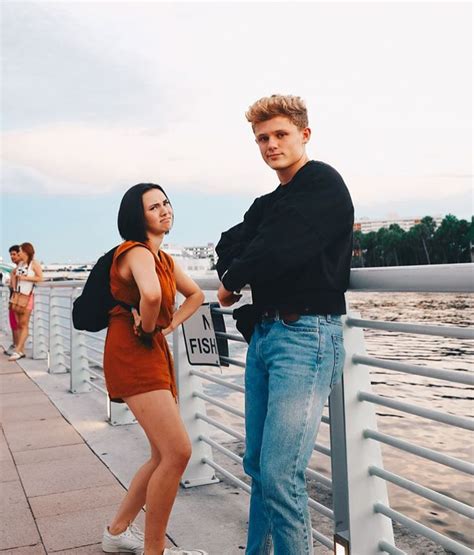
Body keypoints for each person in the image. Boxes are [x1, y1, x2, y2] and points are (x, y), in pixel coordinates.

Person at [216, 95, 354, 554]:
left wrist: (235, 278)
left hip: (307, 336)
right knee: (257, 465)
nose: (270, 144)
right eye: (262, 138)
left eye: (279, 135)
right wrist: (235, 269)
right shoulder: (269, 202)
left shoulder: (322, 184)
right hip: (267, 335)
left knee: (280, 473)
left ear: (304, 135)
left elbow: (279, 248)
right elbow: (230, 242)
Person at [101, 183, 207, 555]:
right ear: (137, 216)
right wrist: (149, 328)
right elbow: (151, 296)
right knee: (177, 452)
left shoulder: (164, 259)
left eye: (166, 203)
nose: (165, 210)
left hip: (151, 349)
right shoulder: (137, 252)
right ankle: (155, 551)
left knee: (163, 454)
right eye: (153, 207)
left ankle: (116, 532)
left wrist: (168, 325)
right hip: (133, 351)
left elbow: (197, 295)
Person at [8, 242, 43, 361]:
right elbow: (13, 273)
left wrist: (25, 278)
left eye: (21, 251)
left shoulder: (34, 264)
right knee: (19, 324)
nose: (19, 253)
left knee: (24, 324)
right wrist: (13, 284)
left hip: (27, 297)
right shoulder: (21, 264)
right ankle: (21, 351)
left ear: (26, 252)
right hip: (18, 296)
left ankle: (18, 350)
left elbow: (40, 278)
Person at [4, 245, 21, 356]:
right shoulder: (15, 269)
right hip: (13, 299)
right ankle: (16, 345)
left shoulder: (21, 269)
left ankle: (17, 347)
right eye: (11, 254)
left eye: (14, 254)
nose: (12, 257)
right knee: (14, 324)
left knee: (15, 324)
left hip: (17, 300)